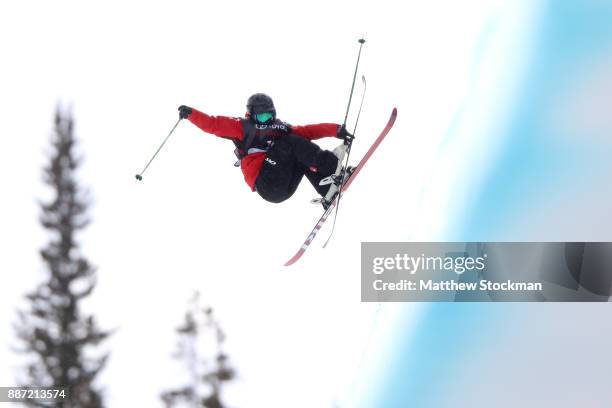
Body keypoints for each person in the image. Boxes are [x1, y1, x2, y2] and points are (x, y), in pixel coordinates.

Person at [178, 93, 353, 207]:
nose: (265, 120)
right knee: (289, 142)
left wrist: (335, 130)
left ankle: (328, 190)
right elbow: (213, 124)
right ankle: (333, 166)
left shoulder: (278, 127)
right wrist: (191, 114)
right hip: (267, 185)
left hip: (284, 185)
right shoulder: (241, 127)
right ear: (251, 115)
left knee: (299, 150)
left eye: (269, 116)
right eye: (261, 116)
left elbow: (307, 131)